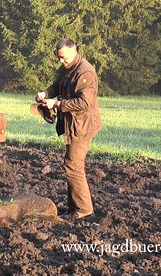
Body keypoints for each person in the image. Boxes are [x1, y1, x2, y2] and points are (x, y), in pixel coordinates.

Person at [36, 38, 102, 221]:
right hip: (73, 124)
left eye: (63, 58)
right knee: (70, 164)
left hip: (82, 126)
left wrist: (56, 103)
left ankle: (84, 209)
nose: (60, 61)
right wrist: (45, 94)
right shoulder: (67, 67)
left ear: (74, 52)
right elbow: (57, 86)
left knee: (73, 165)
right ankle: (73, 208)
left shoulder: (85, 71)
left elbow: (84, 102)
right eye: (58, 58)